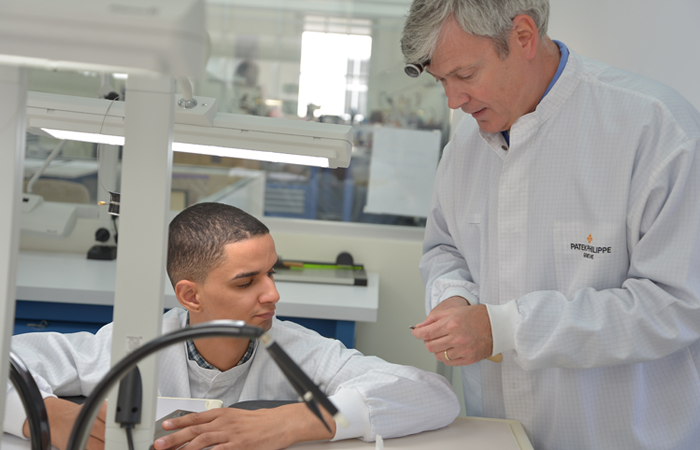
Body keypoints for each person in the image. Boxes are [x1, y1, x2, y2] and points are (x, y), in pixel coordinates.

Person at [401, 1, 700, 449]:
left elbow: (674, 305)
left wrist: (506, 328)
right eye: (441, 80)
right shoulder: (466, 142)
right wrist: (454, 298)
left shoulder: (653, 126)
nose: (452, 100)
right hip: (498, 433)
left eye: (464, 75)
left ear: (523, 35)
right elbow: (447, 249)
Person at [5, 202, 460, 450]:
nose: (273, 295)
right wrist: (42, 414)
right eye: (247, 281)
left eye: (271, 273)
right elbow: (12, 362)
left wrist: (292, 423)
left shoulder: (295, 348)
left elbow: (433, 396)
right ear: (190, 296)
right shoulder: (133, 347)